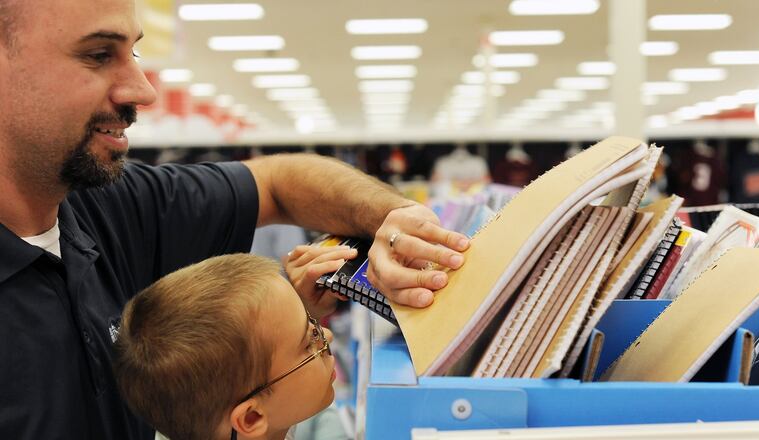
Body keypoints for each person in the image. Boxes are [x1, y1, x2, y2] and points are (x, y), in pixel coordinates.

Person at [0, 0, 470, 438]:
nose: (143, 90)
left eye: (135, 51)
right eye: (99, 54)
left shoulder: (108, 202)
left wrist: (402, 222)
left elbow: (282, 181)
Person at [113, 254, 341, 440]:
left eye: (314, 324)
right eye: (309, 344)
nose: (327, 336)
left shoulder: (205, 418)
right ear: (252, 418)